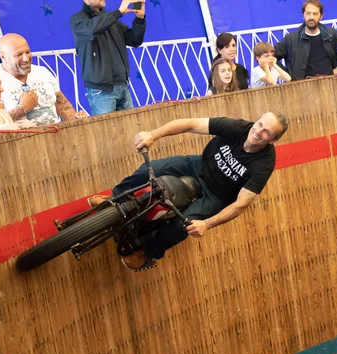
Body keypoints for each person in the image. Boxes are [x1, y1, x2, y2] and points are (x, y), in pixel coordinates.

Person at [89, 113, 289, 271]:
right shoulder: (238, 128)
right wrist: (153, 135)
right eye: (260, 124)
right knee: (151, 169)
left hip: (216, 195)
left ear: (273, 140)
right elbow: (191, 124)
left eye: (267, 132)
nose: (258, 131)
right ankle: (116, 199)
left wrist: (206, 224)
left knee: (181, 226)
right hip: (199, 166)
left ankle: (148, 252)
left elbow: (241, 204)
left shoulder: (264, 164)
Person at [70, 0, 147, 116]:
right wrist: (119, 12)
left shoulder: (111, 20)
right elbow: (91, 30)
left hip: (123, 86)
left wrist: (140, 19)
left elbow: (134, 40)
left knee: (132, 130)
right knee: (107, 132)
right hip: (101, 91)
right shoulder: (78, 19)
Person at [0, 33, 86, 126]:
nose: (26, 59)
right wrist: (22, 108)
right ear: (3, 56)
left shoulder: (42, 72)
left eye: (27, 52)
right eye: (18, 54)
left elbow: (62, 106)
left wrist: (75, 120)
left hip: (56, 136)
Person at [274, 0, 337, 80]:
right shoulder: (291, 39)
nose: (311, 17)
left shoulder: (331, 35)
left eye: (315, 14)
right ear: (303, 15)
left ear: (321, 16)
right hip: (302, 87)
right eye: (308, 13)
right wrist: (289, 75)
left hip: (330, 84)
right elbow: (271, 56)